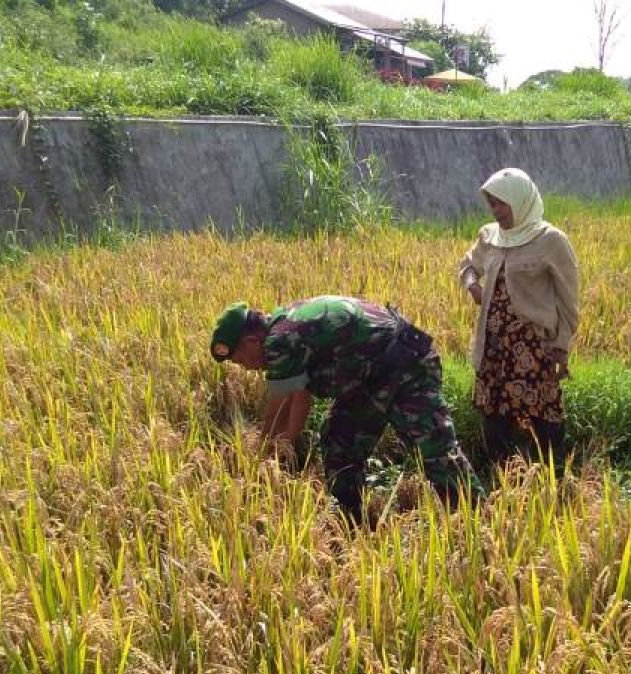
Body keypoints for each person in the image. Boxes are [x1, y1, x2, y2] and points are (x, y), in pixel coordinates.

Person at [210, 296, 483, 524]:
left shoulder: (279, 341)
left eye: (239, 359)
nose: (244, 367)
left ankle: (477, 524)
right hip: (367, 380)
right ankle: (351, 524)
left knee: (433, 446)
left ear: (251, 340)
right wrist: (276, 450)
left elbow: (280, 410)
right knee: (340, 440)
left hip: (405, 366)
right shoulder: (284, 326)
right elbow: (297, 397)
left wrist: (266, 457)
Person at [457, 167, 580, 464]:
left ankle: (553, 478)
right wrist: (472, 285)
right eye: (492, 204)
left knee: (544, 417)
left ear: (520, 200)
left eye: (501, 203)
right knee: (494, 414)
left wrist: (562, 347)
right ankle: (501, 478)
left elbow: (568, 299)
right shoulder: (490, 236)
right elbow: (467, 266)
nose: (495, 210)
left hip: (533, 346)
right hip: (494, 346)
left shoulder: (551, 240)